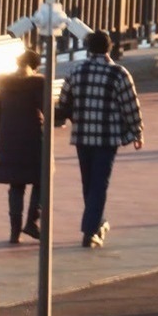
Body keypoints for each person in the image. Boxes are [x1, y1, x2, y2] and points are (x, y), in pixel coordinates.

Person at [55, 31, 144, 248]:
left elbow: (64, 101)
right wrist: (137, 131)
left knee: (88, 183)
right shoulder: (118, 73)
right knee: (99, 184)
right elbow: (130, 105)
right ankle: (90, 230)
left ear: (88, 49)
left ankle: (98, 223)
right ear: (109, 48)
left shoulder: (76, 71)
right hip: (107, 138)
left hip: (82, 136)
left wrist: (73, 116)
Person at [0, 49, 45, 244]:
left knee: (16, 185)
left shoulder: (4, 84)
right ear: (35, 66)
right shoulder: (37, 84)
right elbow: (47, 110)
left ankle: (14, 231)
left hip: (9, 138)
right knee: (42, 179)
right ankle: (32, 222)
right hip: (33, 138)